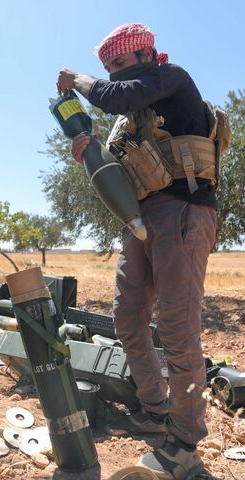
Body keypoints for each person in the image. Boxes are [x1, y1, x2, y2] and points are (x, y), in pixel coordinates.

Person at [57, 23, 225, 479]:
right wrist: (87, 151)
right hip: (142, 220)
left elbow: (116, 95)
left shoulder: (171, 81)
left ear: (146, 54)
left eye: (119, 64)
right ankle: (154, 408)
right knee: (127, 316)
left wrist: (81, 80)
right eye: (106, 67)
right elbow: (114, 173)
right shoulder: (127, 119)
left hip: (184, 212)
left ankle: (186, 442)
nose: (111, 73)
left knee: (176, 326)